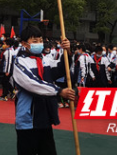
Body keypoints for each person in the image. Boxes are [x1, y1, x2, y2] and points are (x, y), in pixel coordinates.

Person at [12, 26, 75, 155]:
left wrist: (67, 51)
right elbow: (32, 84)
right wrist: (58, 91)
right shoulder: (20, 62)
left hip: (44, 118)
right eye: (35, 41)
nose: (39, 44)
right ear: (24, 44)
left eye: (40, 40)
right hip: (28, 119)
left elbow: (61, 69)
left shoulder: (45, 60)